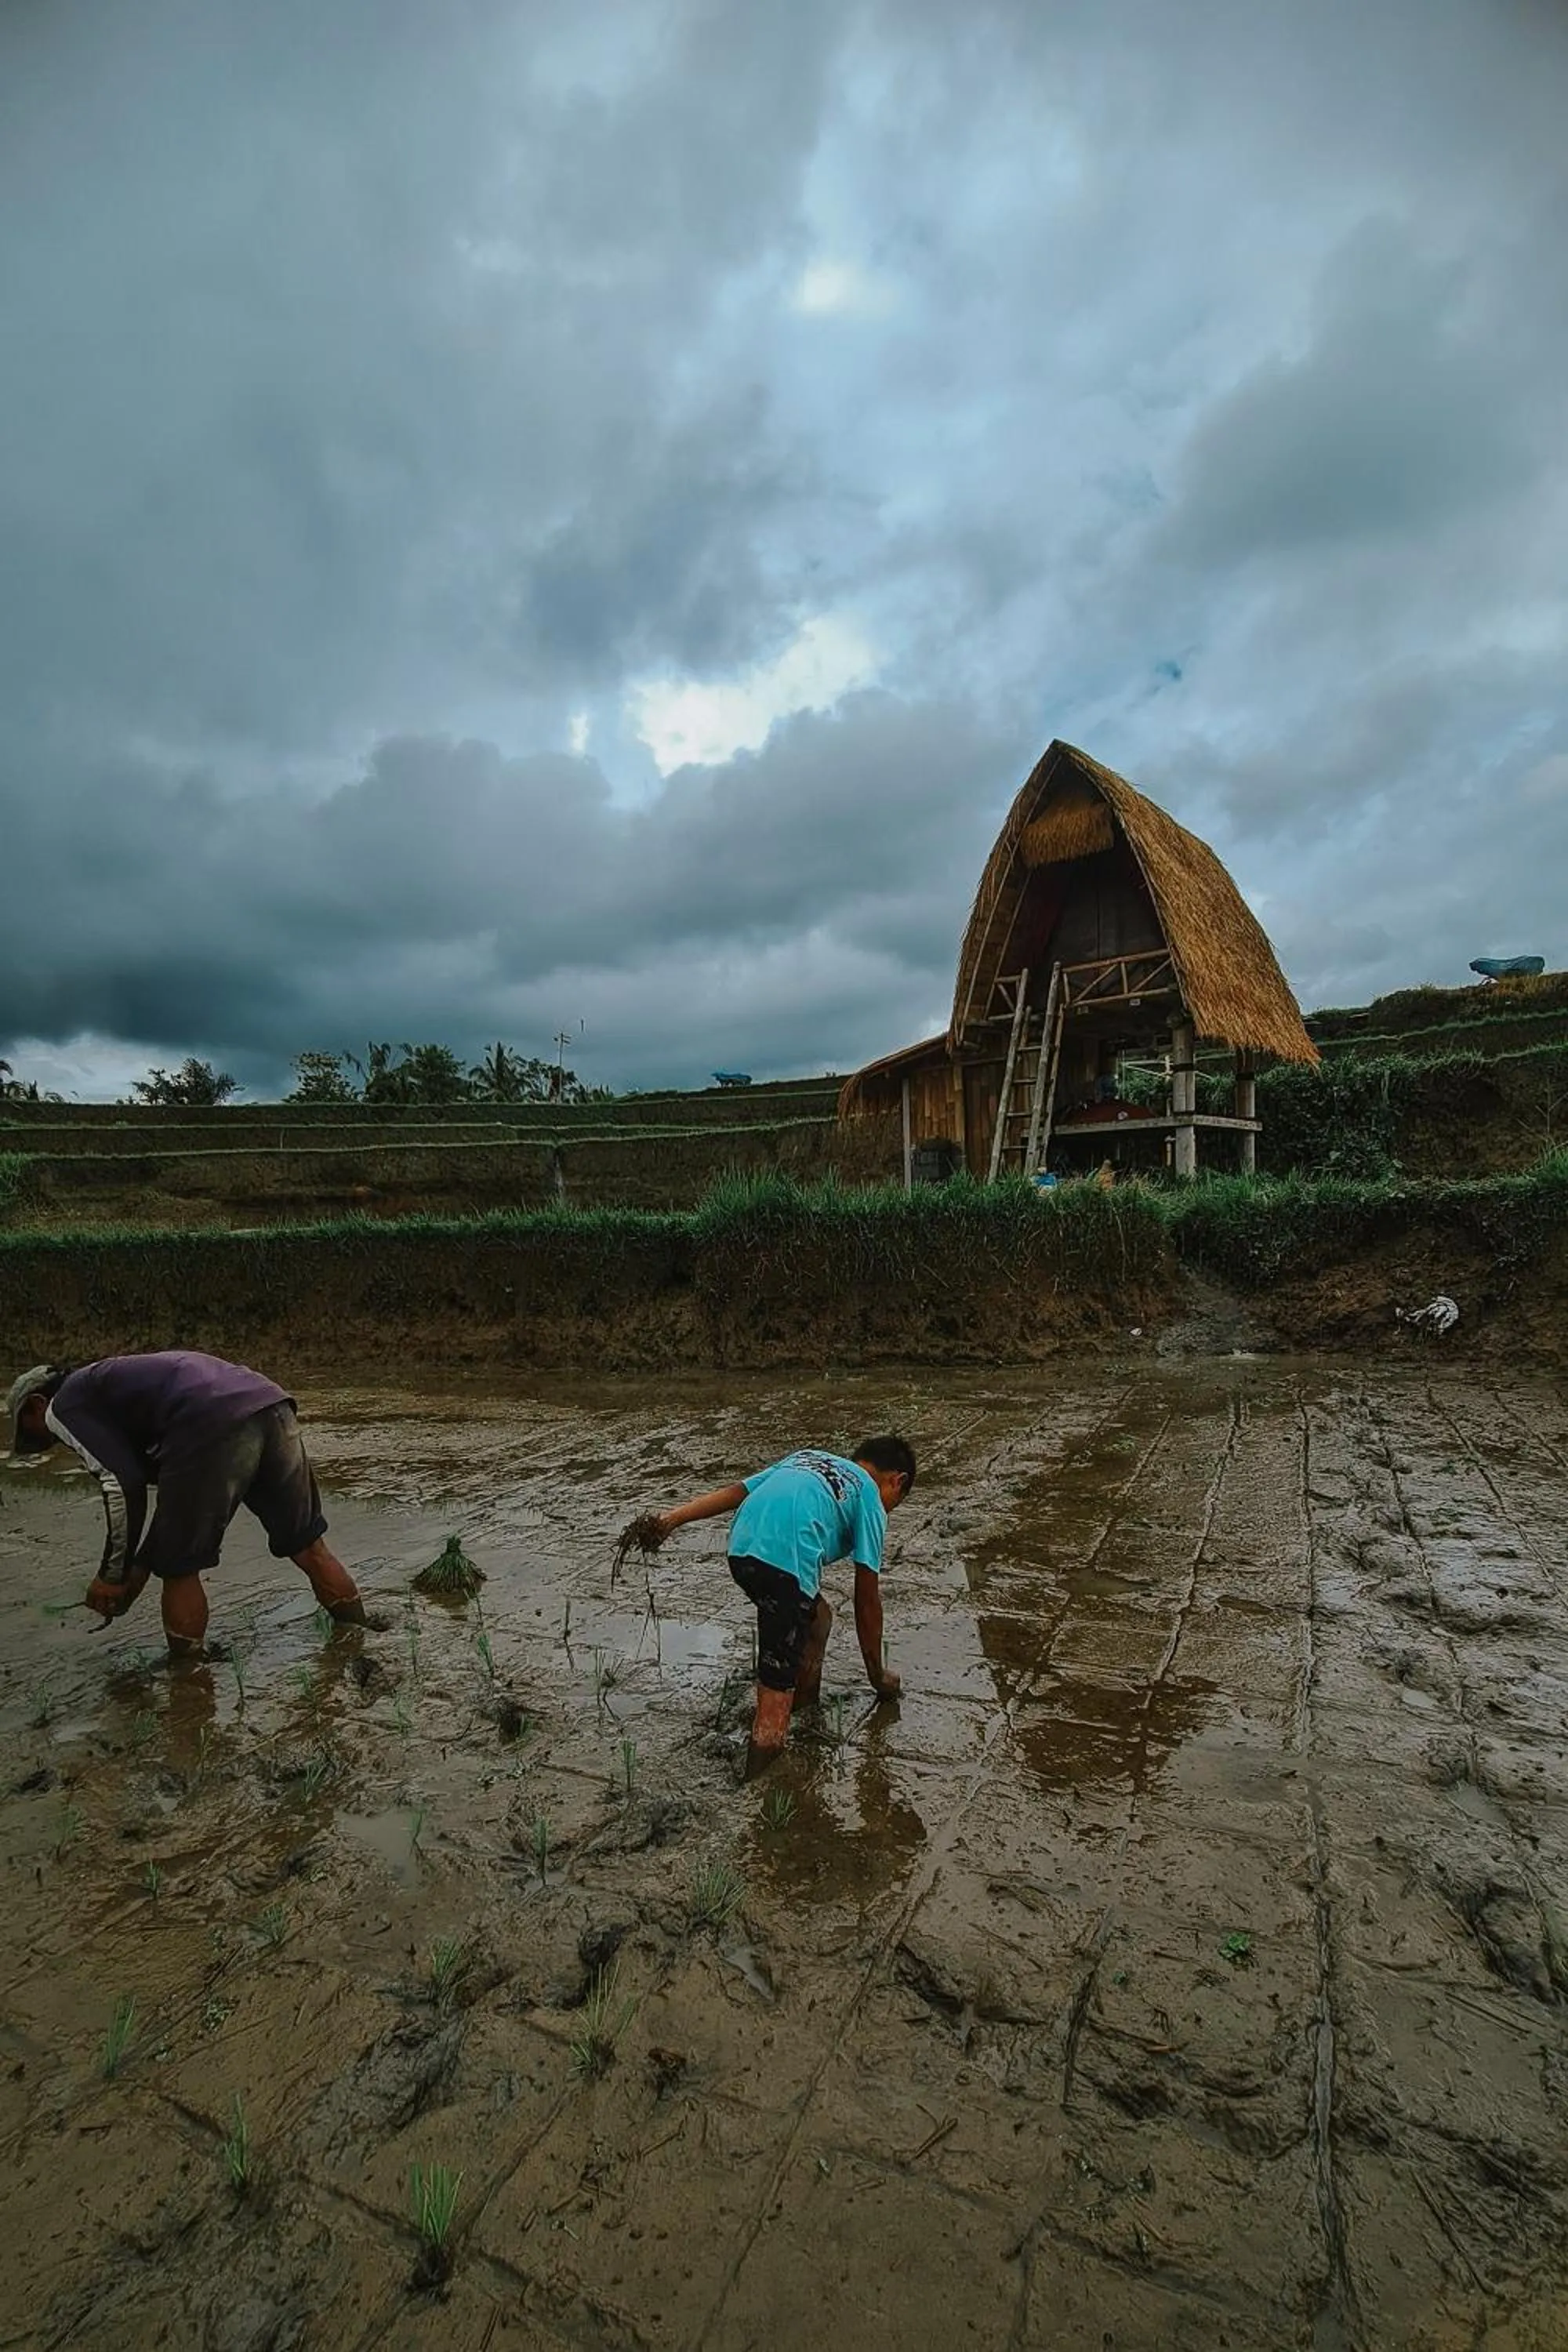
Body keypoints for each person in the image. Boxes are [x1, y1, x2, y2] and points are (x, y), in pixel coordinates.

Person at [4, 1350, 365, 1657]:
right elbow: (176, 1496)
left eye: (29, 1427)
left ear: (38, 1404)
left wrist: (111, 1577)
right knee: (308, 1545)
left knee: (179, 1570)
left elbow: (121, 1483)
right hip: (270, 1404)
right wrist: (139, 1569)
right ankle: (360, 1639)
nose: (48, 1441)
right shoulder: (113, 1393)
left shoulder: (63, 1407)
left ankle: (188, 1689)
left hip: (209, 1420)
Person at [648, 1435, 916, 1776]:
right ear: (897, 1480)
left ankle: (804, 1705)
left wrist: (672, 1519)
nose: (889, 1509)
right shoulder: (871, 1498)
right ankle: (759, 1794)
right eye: (896, 1502)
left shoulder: (809, 1459)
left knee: (818, 1617)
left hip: (742, 1551)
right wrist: (878, 1677)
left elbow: (737, 1492)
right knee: (774, 1700)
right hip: (785, 1564)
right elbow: (867, 1602)